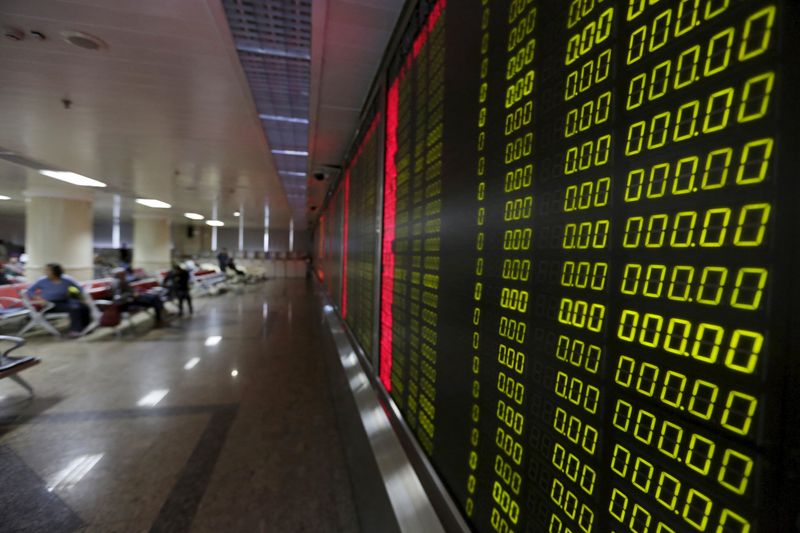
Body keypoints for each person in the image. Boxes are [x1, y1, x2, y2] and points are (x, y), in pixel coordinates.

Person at [25, 263, 90, 338]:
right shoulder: (42, 281)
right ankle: (75, 330)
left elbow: (80, 289)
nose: (45, 272)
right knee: (74, 308)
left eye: (48, 270)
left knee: (84, 307)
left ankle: (85, 327)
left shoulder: (67, 280)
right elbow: (29, 291)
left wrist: (81, 298)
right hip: (49, 305)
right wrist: (39, 299)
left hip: (65, 301)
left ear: (55, 271)